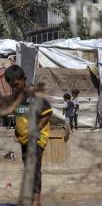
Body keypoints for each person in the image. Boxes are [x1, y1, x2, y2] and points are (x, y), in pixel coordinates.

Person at [0, 65, 53, 206]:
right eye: (12, 86)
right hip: (24, 139)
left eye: (16, 85)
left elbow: (47, 114)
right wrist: (18, 131)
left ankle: (36, 200)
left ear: (24, 79)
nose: (15, 88)